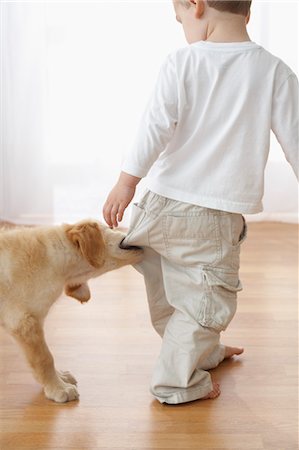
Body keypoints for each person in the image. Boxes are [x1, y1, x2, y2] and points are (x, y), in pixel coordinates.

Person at [103, 0, 298, 404]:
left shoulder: (181, 63)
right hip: (209, 218)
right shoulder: (273, 70)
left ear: (196, 7)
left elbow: (153, 127)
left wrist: (126, 184)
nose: (183, 30)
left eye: (179, 20)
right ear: (247, 14)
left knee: (170, 294)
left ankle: (202, 352)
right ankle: (175, 382)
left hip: (156, 208)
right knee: (204, 302)